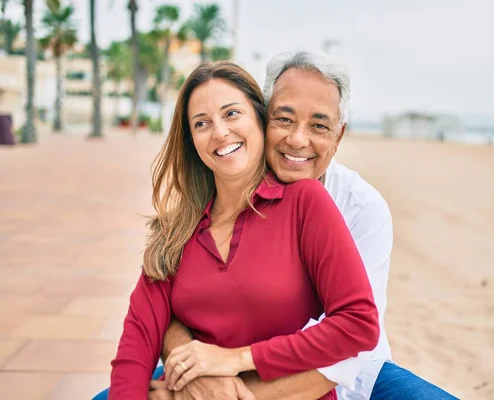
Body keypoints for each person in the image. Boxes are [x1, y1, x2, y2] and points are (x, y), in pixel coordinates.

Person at [155, 51, 458, 400]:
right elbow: (170, 301)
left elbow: (349, 348)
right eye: (284, 120)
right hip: (221, 362)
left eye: (319, 126)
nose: (298, 141)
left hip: (347, 377)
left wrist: (236, 394)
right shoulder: (226, 182)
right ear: (262, 119)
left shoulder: (363, 208)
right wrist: (195, 375)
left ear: (338, 136)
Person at [106, 61, 380, 399]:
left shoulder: (306, 202)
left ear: (259, 120)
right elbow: (137, 342)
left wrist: (233, 360)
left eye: (232, 114)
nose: (220, 132)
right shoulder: (175, 229)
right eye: (202, 123)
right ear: (192, 141)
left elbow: (358, 325)